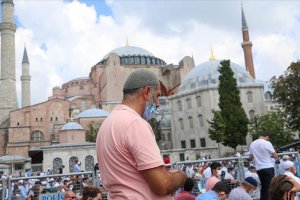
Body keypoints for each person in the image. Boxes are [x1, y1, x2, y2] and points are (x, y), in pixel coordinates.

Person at [96, 69, 187, 199]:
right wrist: (180, 176)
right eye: (157, 96)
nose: (157, 104)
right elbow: (163, 185)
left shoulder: (107, 123)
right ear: (147, 92)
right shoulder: (135, 124)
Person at [249, 130, 278, 200]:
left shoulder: (252, 144)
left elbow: (250, 157)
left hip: (259, 168)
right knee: (271, 186)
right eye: (268, 138)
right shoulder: (267, 143)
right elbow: (275, 156)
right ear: (266, 136)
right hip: (268, 167)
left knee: (263, 187)